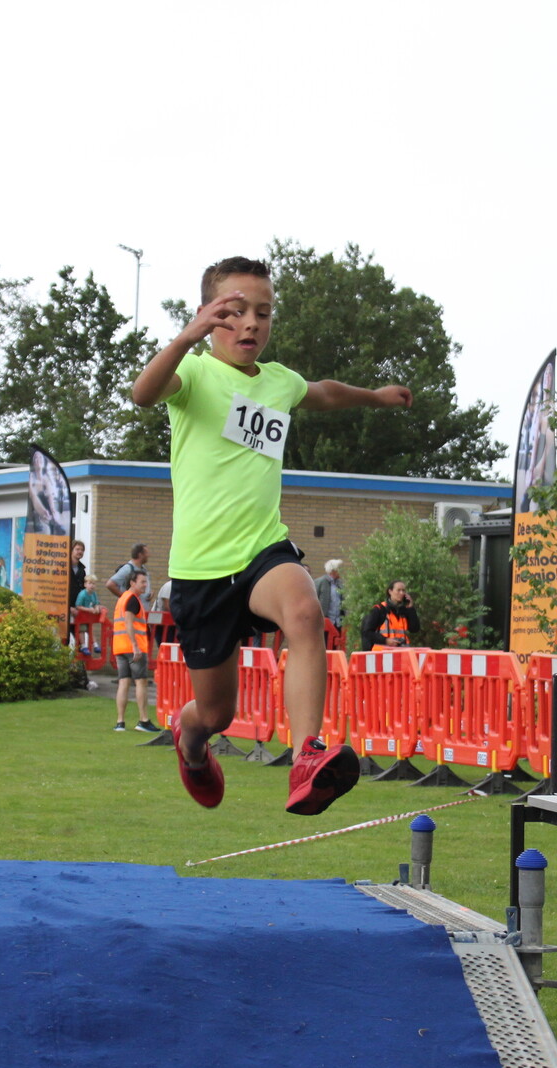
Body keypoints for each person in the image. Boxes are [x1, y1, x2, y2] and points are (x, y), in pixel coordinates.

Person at [130, 254, 412, 814]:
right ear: (210, 316)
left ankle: (307, 754)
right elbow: (143, 393)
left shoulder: (278, 382)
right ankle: (191, 746)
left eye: (263, 313)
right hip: (202, 571)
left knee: (306, 612)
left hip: (262, 552)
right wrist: (184, 340)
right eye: (235, 312)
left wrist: (374, 398)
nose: (251, 323)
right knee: (216, 715)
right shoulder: (193, 375)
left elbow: (324, 391)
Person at [111, 571, 161, 733]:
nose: (145, 585)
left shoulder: (123, 598)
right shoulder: (132, 600)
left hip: (119, 646)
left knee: (124, 682)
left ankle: (120, 722)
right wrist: (135, 646)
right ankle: (143, 720)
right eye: (142, 582)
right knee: (141, 681)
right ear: (132, 582)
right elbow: (129, 623)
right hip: (133, 648)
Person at [360, 581, 420, 650]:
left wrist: (410, 609)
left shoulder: (404, 611)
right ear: (390, 591)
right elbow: (367, 633)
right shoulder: (380, 610)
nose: (401, 593)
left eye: (403, 590)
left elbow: (415, 629)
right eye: (398, 590)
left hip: (401, 654)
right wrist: (385, 640)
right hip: (382, 655)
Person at [313, 559, 346, 633]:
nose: (341, 571)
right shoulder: (320, 582)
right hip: (324, 623)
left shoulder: (340, 584)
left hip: (337, 623)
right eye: (339, 569)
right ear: (333, 571)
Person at [69, 540, 89, 606]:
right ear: (71, 550)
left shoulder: (82, 570)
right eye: (77, 549)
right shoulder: (65, 568)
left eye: (82, 550)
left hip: (77, 607)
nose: (80, 552)